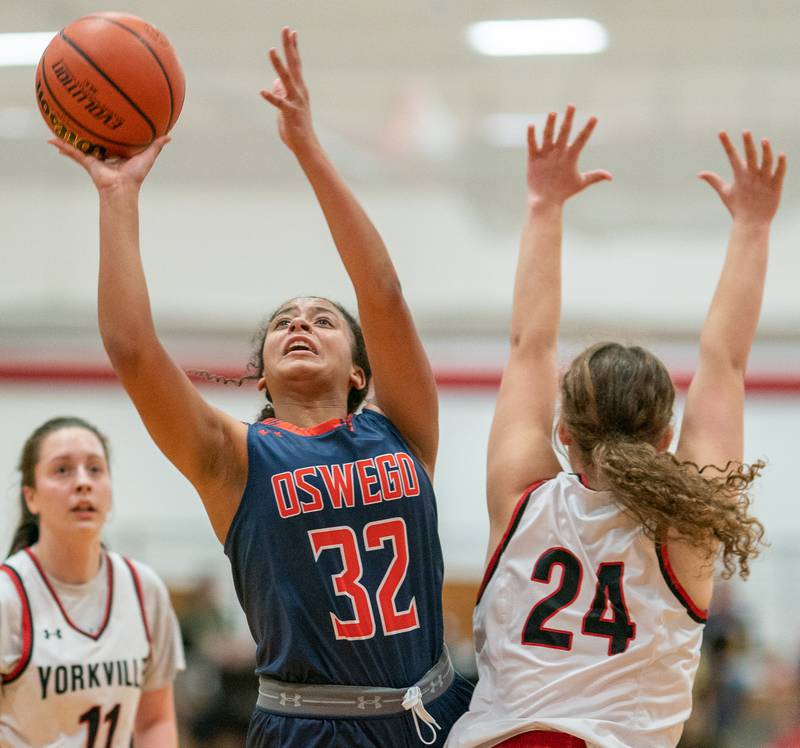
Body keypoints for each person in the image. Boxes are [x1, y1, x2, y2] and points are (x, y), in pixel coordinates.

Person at [50, 27, 473, 747]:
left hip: (432, 716)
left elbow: (384, 293)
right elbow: (131, 349)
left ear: (360, 371)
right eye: (283, 323)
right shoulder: (235, 457)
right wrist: (118, 196)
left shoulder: (402, 426)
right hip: (308, 726)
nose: (300, 323)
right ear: (263, 373)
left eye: (323, 320)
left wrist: (309, 149)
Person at [445, 108, 784, 748]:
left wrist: (544, 205)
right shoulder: (687, 525)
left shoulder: (522, 501)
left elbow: (528, 347)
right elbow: (726, 363)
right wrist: (754, 225)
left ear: (562, 432)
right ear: (667, 435)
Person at [0, 416, 184, 746]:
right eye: (62, 470)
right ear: (31, 497)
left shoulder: (144, 589)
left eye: (95, 469)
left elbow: (155, 720)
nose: (83, 482)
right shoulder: (7, 597)